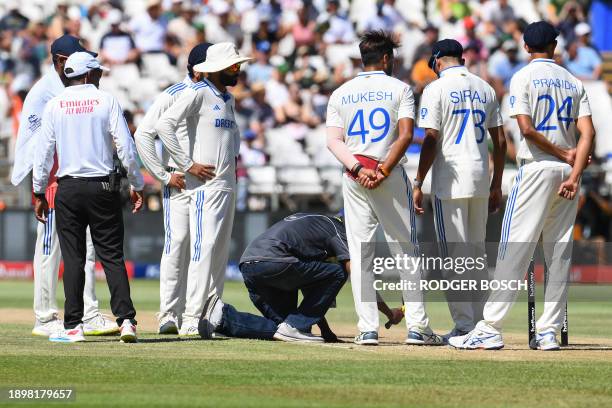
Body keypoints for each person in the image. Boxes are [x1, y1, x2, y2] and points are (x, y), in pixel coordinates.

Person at [450, 21, 596, 351]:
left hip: (536, 169)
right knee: (559, 252)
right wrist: (573, 171)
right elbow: (588, 134)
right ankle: (547, 332)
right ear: (555, 47)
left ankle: (490, 328)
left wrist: (562, 152)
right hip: (566, 175)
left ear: (526, 47)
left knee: (513, 249)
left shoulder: (523, 77)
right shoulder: (572, 81)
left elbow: (527, 130)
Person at [326, 30, 442, 346]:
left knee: (361, 254)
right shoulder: (400, 88)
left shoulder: (340, 93)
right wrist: (383, 170)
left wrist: (358, 170)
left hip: (354, 177)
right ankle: (417, 328)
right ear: (387, 59)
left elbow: (333, 141)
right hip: (386, 175)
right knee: (406, 250)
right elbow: (405, 135)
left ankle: (367, 329)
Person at [32, 52, 145, 343]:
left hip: (68, 188)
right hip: (103, 187)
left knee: (73, 259)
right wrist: (136, 183)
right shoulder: (105, 100)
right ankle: (127, 321)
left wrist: (38, 190)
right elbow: (125, 145)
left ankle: (73, 326)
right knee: (112, 257)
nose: (100, 76)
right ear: (86, 74)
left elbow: (44, 153)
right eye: (97, 72)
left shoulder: (55, 105)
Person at [10, 35, 116, 337]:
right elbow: (35, 145)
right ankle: (44, 317)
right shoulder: (44, 92)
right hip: (55, 182)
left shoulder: (69, 88)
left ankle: (88, 313)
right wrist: (39, 188)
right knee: (49, 247)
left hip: (77, 180)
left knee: (85, 248)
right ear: (59, 60)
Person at [155, 42, 253, 336]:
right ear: (219, 68)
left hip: (227, 185)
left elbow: (231, 142)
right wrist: (188, 164)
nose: (238, 70)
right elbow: (164, 125)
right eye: (234, 66)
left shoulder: (228, 98)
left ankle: (208, 317)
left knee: (219, 253)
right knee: (203, 248)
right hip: (204, 187)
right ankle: (189, 319)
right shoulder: (198, 93)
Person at [413, 39, 507, 340]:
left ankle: (466, 324)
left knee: (454, 255)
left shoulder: (435, 88)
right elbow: (502, 142)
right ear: (461, 59)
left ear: (437, 61)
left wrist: (418, 181)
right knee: (476, 253)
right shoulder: (485, 87)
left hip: (450, 180)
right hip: (481, 176)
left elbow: (430, 137)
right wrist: (496, 184)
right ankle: (481, 324)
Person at [198, 213, 404, 342]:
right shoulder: (339, 229)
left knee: (282, 330)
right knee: (338, 272)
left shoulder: (315, 222)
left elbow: (311, 287)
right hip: (275, 263)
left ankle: (221, 317)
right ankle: (295, 326)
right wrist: (388, 313)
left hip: (250, 267)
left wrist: (325, 330)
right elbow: (357, 275)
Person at [134, 42, 211, 334]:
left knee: (203, 247)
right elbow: (143, 135)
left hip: (208, 182)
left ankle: (198, 315)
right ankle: (169, 314)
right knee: (177, 242)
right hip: (180, 181)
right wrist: (164, 176)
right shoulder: (174, 94)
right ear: (196, 69)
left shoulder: (215, 95)